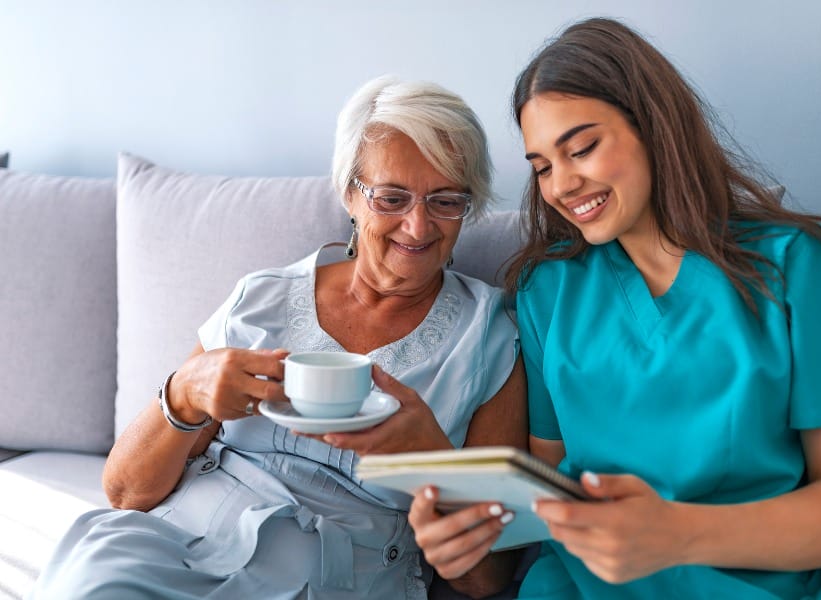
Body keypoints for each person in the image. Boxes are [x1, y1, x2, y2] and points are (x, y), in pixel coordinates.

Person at [408, 17, 821, 599]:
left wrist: (676, 534)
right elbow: (545, 487)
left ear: (654, 128)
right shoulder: (547, 291)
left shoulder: (803, 268)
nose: (561, 184)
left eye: (582, 148)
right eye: (541, 167)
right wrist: (469, 534)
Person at [30, 75, 527, 600]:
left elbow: (485, 579)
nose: (419, 225)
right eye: (391, 198)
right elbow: (126, 492)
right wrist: (184, 393)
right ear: (349, 193)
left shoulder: (488, 339)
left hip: (335, 579)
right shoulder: (261, 298)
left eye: (446, 200)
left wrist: (430, 458)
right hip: (179, 544)